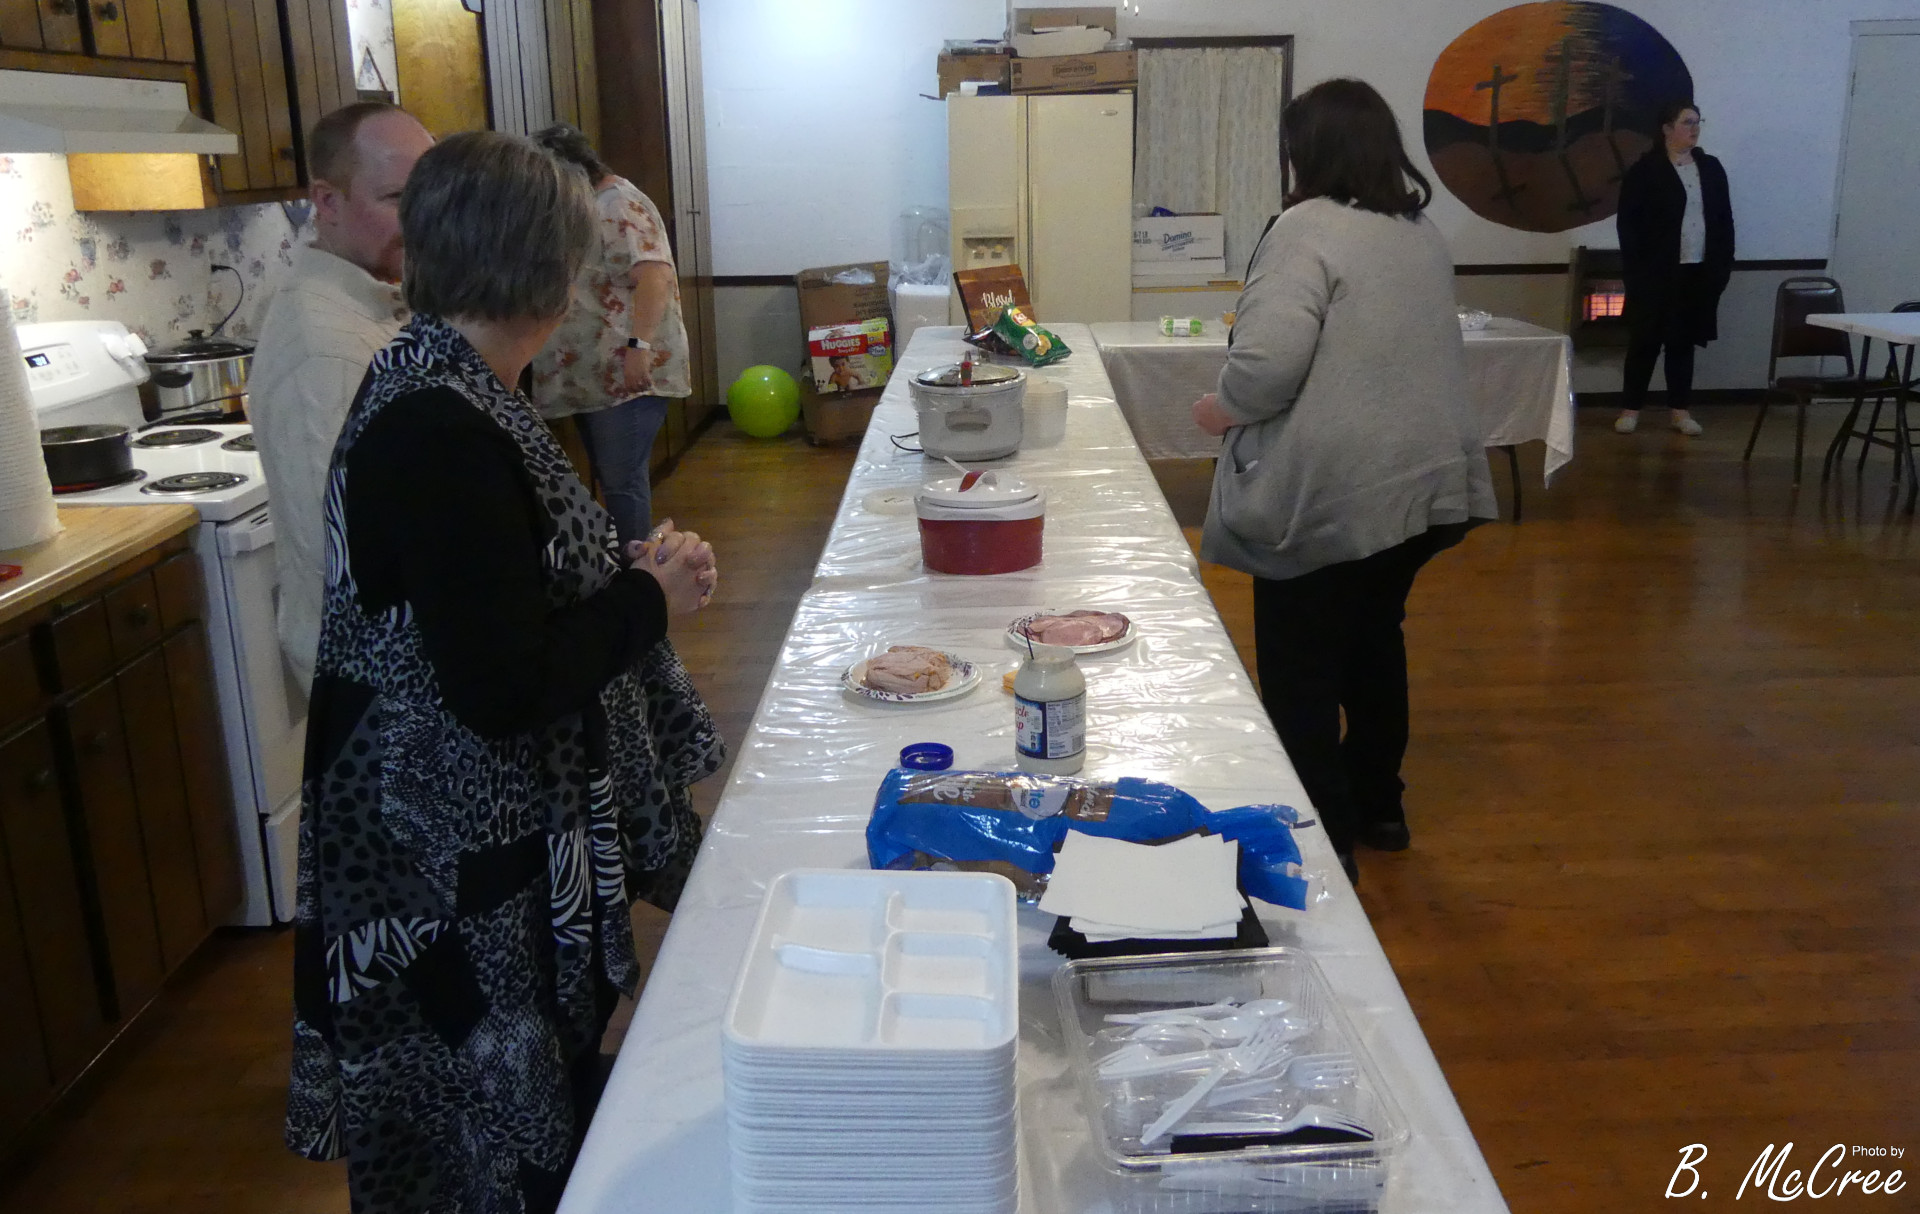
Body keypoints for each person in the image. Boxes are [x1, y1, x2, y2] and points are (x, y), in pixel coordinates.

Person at [283, 131, 724, 1214]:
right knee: (478, 1135)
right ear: (556, 277)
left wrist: (623, 576)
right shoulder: (441, 426)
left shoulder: (453, 384)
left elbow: (499, 598)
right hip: (444, 859)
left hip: (464, 835)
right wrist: (648, 601)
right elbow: (502, 686)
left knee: (513, 1111)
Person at [1191, 78, 1496, 884]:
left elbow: (1266, 366)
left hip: (1335, 490)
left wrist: (1221, 410)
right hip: (1422, 485)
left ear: (1307, 151)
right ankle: (1378, 808)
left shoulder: (1304, 228)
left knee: (1301, 666)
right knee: (1372, 641)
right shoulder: (1418, 231)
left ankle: (1322, 840)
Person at [250, 102, 435, 693]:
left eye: (427, 195)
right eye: (396, 198)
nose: (422, 220)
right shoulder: (324, 351)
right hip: (381, 678)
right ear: (326, 202)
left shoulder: (376, 302)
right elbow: (351, 557)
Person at [530, 124, 692, 544]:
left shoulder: (617, 203)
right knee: (612, 477)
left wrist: (639, 347)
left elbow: (653, 276)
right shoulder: (587, 203)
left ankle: (636, 571)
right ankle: (620, 564)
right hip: (594, 375)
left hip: (623, 373)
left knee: (622, 481)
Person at [1612, 100, 1735, 436]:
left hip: (1696, 270)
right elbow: (1629, 226)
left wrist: (1721, 267)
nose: (1694, 129)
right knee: (1645, 341)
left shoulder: (1710, 168)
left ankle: (1680, 411)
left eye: (1697, 122)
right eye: (1687, 122)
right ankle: (1630, 409)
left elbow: (1723, 221)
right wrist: (1637, 272)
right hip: (1654, 273)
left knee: (1683, 342)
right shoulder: (1646, 170)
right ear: (1667, 129)